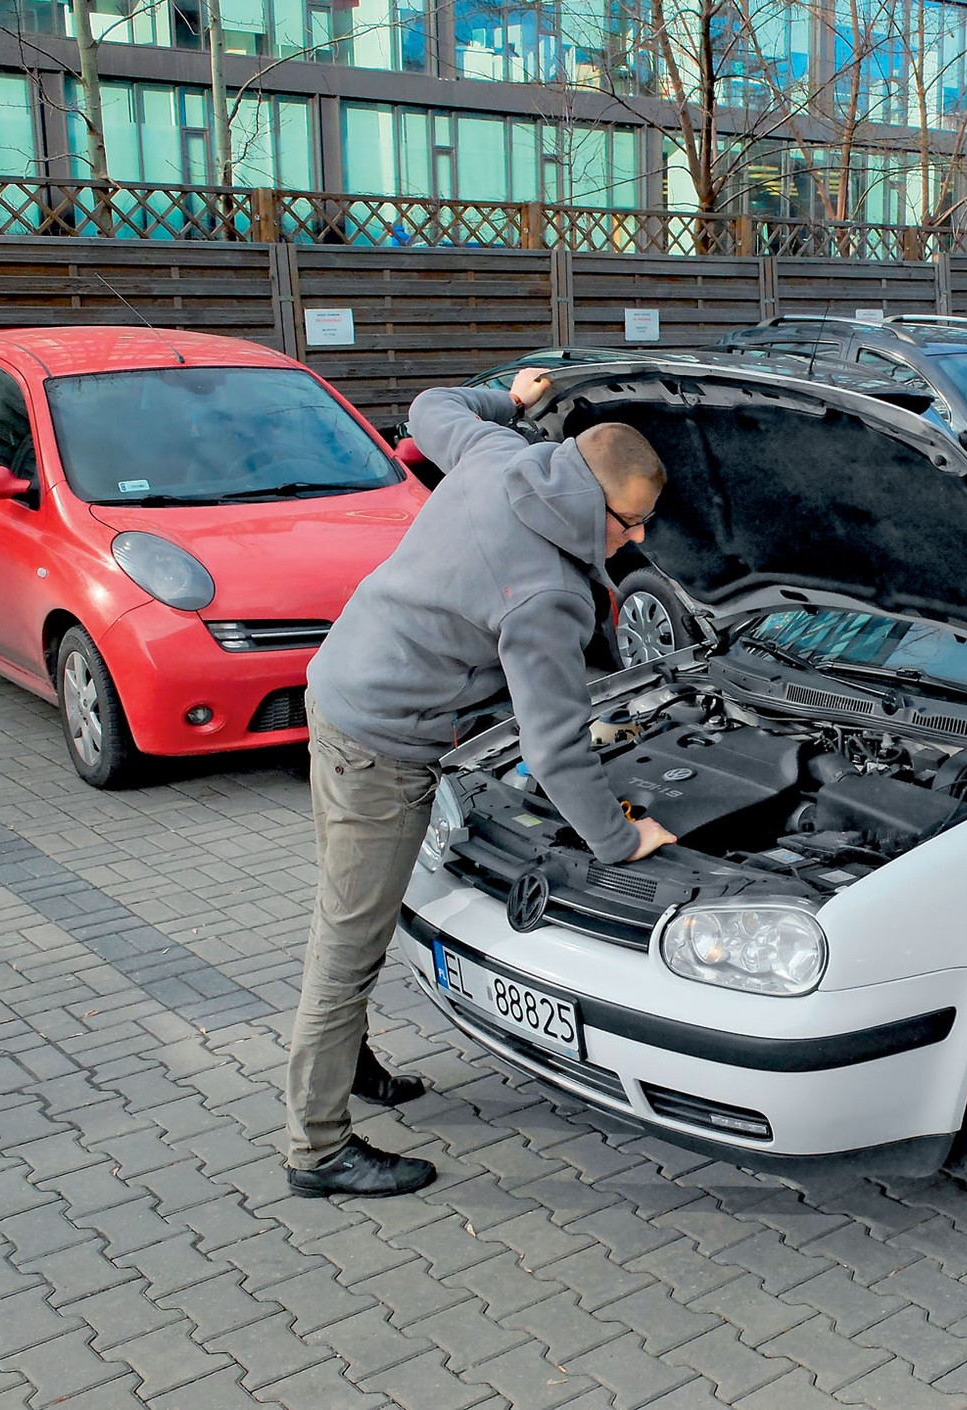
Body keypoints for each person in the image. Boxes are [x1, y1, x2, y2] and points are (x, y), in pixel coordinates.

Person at [284, 365, 677, 1198]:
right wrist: (622, 835)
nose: (638, 541)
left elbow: (431, 404)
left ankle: (351, 1072)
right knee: (347, 946)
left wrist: (515, 397)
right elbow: (558, 746)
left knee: (350, 909)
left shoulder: (500, 454)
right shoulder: (545, 594)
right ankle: (316, 1150)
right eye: (633, 524)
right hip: (382, 746)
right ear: (594, 502)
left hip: (338, 690)